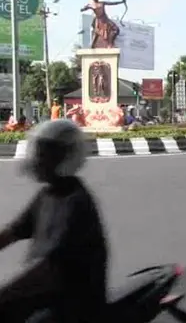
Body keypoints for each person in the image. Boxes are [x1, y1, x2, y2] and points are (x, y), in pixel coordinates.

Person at [0, 119, 108, 322]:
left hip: (74, 306)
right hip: (47, 295)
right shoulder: (48, 195)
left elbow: (49, 270)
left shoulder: (75, 203)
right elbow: (13, 231)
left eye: (44, 153)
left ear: (64, 156)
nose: (37, 159)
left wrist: (5, 292)